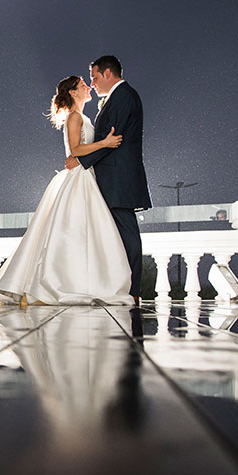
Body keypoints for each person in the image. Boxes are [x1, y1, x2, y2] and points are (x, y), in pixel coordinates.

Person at [0, 74, 134, 305]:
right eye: (84, 85)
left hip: (86, 175)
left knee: (84, 234)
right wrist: (105, 143)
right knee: (73, 232)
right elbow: (75, 150)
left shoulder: (82, 117)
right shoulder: (74, 117)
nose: (89, 87)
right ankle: (51, 286)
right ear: (74, 92)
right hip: (79, 178)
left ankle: (76, 283)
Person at [65, 55, 152, 305]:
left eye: (93, 77)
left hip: (119, 180)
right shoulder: (116, 98)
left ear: (107, 73)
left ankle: (132, 290)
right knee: (115, 236)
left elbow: (115, 140)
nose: (92, 83)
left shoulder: (124, 96)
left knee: (128, 235)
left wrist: (81, 160)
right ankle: (117, 286)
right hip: (110, 179)